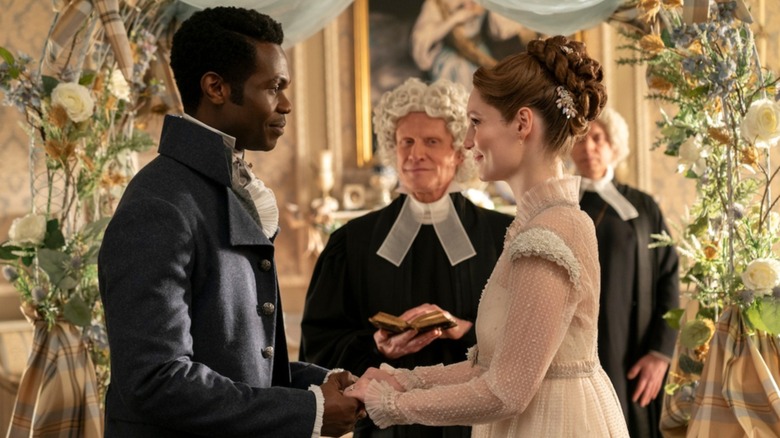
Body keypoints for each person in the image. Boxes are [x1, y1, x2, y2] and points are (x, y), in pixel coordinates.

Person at [345, 35, 630, 437]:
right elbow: (489, 368)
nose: (467, 141)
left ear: (523, 124)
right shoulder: (538, 223)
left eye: (476, 122)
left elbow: (505, 393)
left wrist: (391, 404)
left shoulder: (549, 233)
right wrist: (402, 380)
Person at [98, 7, 361, 437]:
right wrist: (309, 412)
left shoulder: (215, 187)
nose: (286, 104)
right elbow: (155, 380)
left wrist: (322, 383)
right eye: (273, 87)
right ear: (216, 88)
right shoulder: (160, 205)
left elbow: (240, 363)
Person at [300, 77, 513, 437]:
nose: (416, 154)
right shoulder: (352, 242)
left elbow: (528, 339)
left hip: (477, 426)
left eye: (431, 142)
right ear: (392, 149)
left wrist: (467, 332)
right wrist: (376, 345)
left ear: (458, 152)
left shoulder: (502, 236)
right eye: (406, 142)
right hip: (386, 427)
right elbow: (319, 346)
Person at [571, 107, 679, 438]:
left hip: (630, 352)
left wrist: (660, 353)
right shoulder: (558, 204)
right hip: (572, 353)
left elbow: (669, 278)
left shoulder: (643, 207)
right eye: (580, 138)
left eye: (598, 138)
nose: (588, 147)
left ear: (613, 144)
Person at [411, 0, 536, 89]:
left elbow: (501, 30)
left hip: (479, 53)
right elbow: (421, 38)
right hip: (450, 57)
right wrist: (455, 19)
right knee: (458, 73)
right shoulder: (436, 3)